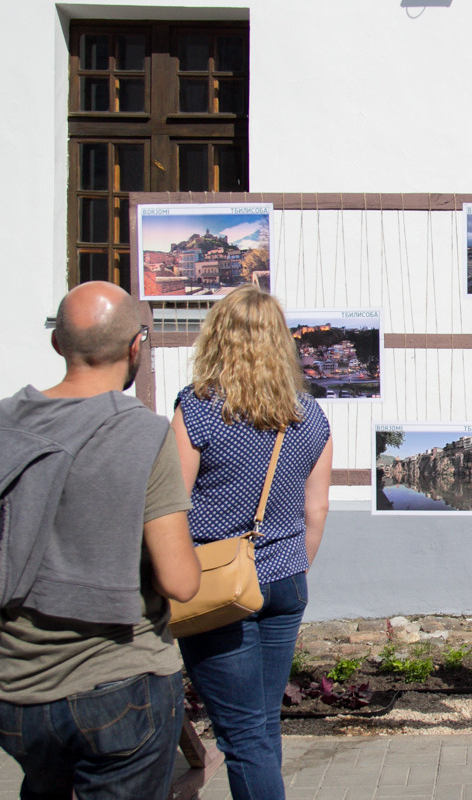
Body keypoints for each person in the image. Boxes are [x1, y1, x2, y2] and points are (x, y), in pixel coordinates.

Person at [0, 281, 200, 799]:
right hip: (119, 685)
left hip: (17, 694)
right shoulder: (143, 433)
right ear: (136, 346)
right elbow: (180, 581)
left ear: (58, 344)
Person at [170, 285, 332, 800]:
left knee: (242, 736)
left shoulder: (197, 409)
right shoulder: (310, 415)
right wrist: (288, 566)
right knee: (261, 728)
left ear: (217, 338)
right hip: (285, 579)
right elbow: (317, 509)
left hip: (216, 583)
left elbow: (170, 503)